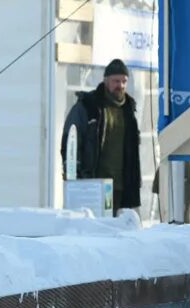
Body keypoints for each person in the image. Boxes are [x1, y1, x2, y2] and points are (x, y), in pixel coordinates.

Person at [60, 58, 142, 216]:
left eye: (124, 81)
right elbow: (70, 140)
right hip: (94, 185)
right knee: (94, 226)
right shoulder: (88, 106)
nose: (120, 85)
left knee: (117, 227)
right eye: (116, 81)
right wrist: (75, 175)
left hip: (121, 187)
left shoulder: (129, 111)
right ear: (106, 81)